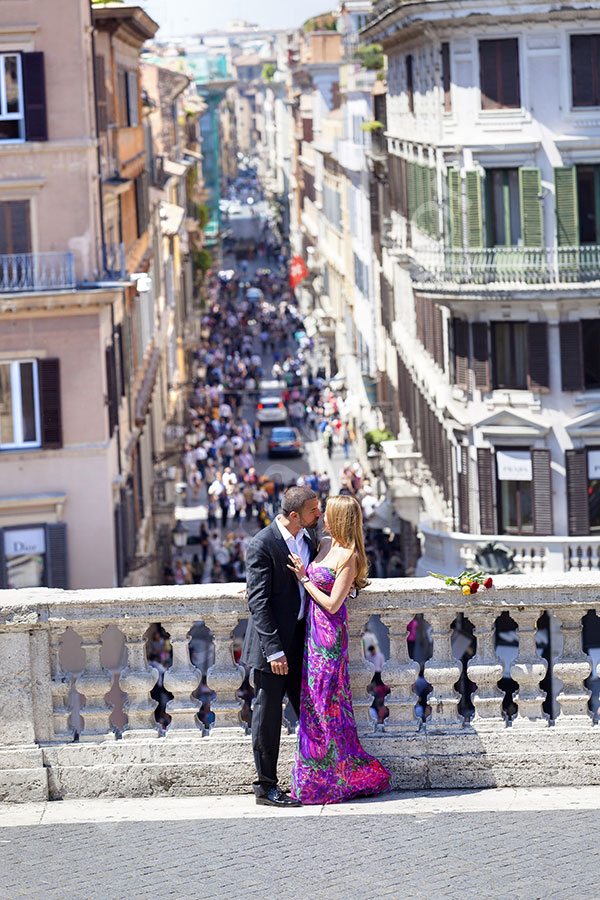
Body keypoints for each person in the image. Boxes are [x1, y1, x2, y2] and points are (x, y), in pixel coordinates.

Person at [286, 494, 391, 805]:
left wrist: (305, 579)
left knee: (327, 705)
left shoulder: (349, 556)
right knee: (312, 705)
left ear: (340, 519)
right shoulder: (324, 545)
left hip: (330, 639)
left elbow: (333, 604)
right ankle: (313, 776)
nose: (322, 517)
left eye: (328, 513)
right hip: (311, 636)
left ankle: (333, 777)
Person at [241, 486, 321, 808]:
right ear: (294, 515)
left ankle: (317, 776)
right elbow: (258, 602)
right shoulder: (262, 544)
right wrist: (274, 651)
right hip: (271, 648)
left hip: (301, 641)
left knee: (310, 710)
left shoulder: (308, 540)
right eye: (314, 510)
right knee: (268, 717)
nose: (319, 514)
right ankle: (266, 787)